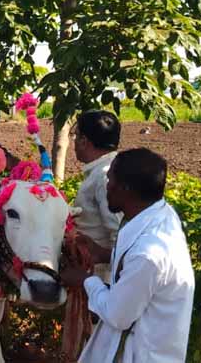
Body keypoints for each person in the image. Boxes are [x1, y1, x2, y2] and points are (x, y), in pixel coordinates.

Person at [61, 148, 195, 362]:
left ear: (125, 189)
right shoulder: (161, 214)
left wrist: (85, 280)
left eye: (110, 178)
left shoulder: (148, 255)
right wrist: (103, 254)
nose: (106, 185)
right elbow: (139, 272)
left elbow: (117, 315)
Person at [72, 110, 122, 282]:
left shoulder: (104, 176)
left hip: (100, 279)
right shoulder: (105, 170)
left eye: (76, 136)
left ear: (84, 141)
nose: (74, 142)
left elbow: (118, 234)